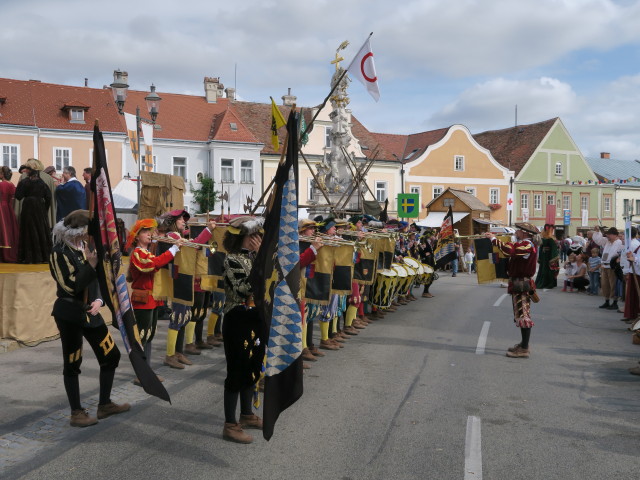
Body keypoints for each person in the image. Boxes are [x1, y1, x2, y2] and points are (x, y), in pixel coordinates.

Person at [49, 210, 130, 427]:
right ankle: (76, 412)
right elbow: (71, 285)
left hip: (90, 311)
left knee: (111, 355)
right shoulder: (59, 252)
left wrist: (98, 300)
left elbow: (97, 280)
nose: (87, 236)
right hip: (70, 313)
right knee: (73, 362)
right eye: (85, 232)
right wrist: (90, 265)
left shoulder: (87, 249)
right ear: (76, 232)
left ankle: (104, 404)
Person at [220, 216, 265, 444]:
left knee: (253, 368)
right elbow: (244, 288)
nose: (257, 239)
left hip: (256, 319)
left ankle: (246, 414)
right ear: (242, 238)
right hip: (237, 319)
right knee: (237, 370)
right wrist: (259, 260)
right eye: (253, 235)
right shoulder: (232, 260)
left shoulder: (255, 258)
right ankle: (230, 424)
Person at [158, 209, 216, 369]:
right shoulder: (172, 236)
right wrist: (209, 229)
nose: (184, 221)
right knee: (177, 316)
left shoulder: (178, 236)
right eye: (181, 219)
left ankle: (178, 352)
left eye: (185, 219)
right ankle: (170, 355)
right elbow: (195, 245)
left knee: (184, 316)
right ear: (173, 222)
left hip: (184, 278)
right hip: (178, 279)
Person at [126, 218, 182, 382]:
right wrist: (173, 249)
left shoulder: (148, 251)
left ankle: (146, 371)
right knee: (142, 338)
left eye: (150, 231)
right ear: (137, 236)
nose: (149, 234)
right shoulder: (138, 253)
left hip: (152, 298)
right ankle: (141, 374)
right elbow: (153, 264)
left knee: (149, 336)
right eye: (145, 232)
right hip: (143, 300)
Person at [485, 222, 539, 358]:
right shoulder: (524, 243)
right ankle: (523, 344)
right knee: (520, 314)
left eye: (518, 230)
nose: (516, 232)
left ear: (525, 233)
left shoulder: (527, 244)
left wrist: (493, 239)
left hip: (522, 284)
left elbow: (510, 250)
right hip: (518, 283)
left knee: (523, 315)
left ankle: (525, 348)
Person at [15, 165, 52, 263]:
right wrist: (45, 208)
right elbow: (48, 196)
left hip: (28, 207)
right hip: (40, 207)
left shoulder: (24, 182)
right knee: (41, 230)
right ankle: (43, 257)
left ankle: (28, 257)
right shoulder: (42, 183)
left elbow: (18, 196)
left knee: (28, 230)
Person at [592, 226, 623, 311]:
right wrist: (597, 231)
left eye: (609, 235)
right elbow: (598, 240)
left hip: (612, 267)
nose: (608, 236)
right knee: (605, 285)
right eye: (607, 234)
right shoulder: (607, 241)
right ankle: (607, 301)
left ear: (615, 235)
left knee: (613, 285)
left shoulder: (619, 243)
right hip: (604, 266)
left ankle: (615, 302)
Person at [0, 166, 19, 262]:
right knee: (9, 229)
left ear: (3, 174)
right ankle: (9, 253)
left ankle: (3, 254)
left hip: (1, 208)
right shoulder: (11, 184)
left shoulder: (2, 184)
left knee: (3, 230)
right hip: (8, 208)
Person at [622, 227, 640, 322]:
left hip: (636, 272)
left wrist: (635, 259)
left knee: (635, 296)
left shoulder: (635, 244)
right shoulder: (632, 244)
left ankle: (635, 316)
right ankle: (631, 315)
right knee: (631, 295)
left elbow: (635, 258)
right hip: (633, 271)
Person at [535, 224, 559, 289]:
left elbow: (554, 248)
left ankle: (549, 283)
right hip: (544, 256)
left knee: (549, 269)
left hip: (549, 256)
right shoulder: (544, 237)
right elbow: (541, 247)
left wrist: (553, 258)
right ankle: (544, 282)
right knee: (543, 269)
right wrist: (540, 257)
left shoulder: (552, 238)